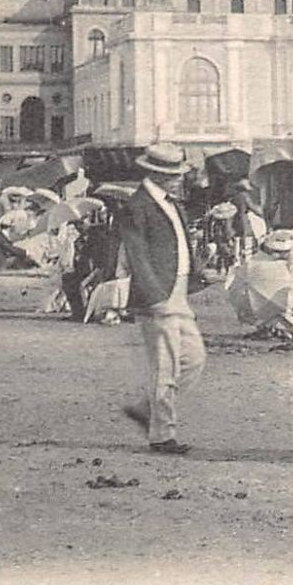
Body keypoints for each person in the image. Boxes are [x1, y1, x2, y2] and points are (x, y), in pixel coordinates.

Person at [118, 144, 207, 455]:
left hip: (178, 292)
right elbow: (137, 256)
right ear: (153, 174)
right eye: (170, 175)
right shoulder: (137, 206)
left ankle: (147, 409)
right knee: (165, 367)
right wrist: (154, 296)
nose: (177, 180)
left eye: (177, 175)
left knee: (195, 359)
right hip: (158, 295)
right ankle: (162, 435)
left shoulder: (171, 203)